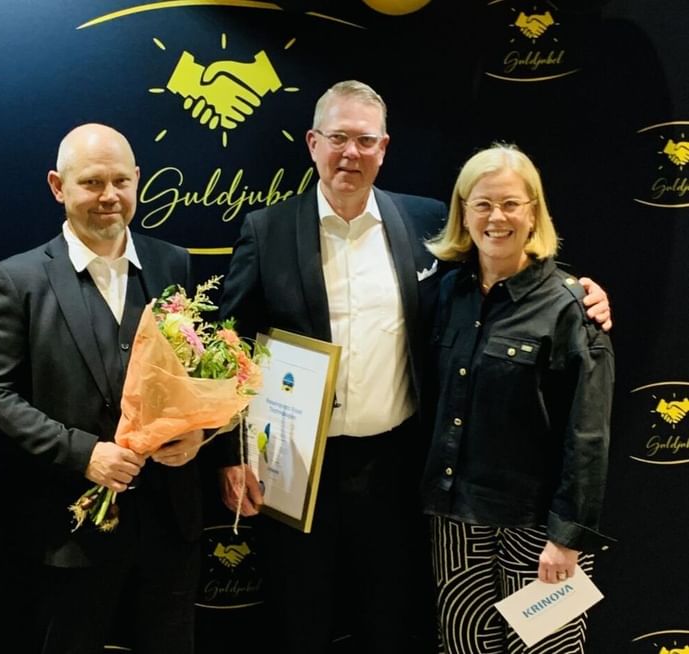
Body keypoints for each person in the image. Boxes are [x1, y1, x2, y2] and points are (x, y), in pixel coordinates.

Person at [216, 81, 611, 653]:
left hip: (398, 470)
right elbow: (229, 347)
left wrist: (579, 292)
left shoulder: (423, 224)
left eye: (365, 140)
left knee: (395, 623)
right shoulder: (267, 229)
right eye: (337, 138)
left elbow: (506, 268)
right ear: (312, 143)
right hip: (295, 470)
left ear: (384, 148)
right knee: (300, 621)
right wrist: (230, 454)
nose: (350, 153)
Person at [0, 123, 203, 654]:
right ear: (58, 186)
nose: (109, 197)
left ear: (138, 180)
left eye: (121, 181)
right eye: (91, 183)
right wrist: (84, 454)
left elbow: (193, 379)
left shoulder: (174, 264)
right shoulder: (18, 278)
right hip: (68, 533)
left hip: (168, 528)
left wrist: (198, 435)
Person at [422, 143, 614, 653]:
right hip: (457, 520)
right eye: (482, 204)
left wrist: (567, 537)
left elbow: (588, 436)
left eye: (510, 203)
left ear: (534, 212)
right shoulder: (448, 294)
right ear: (464, 213)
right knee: (463, 645)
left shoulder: (571, 307)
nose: (496, 217)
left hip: (538, 531)